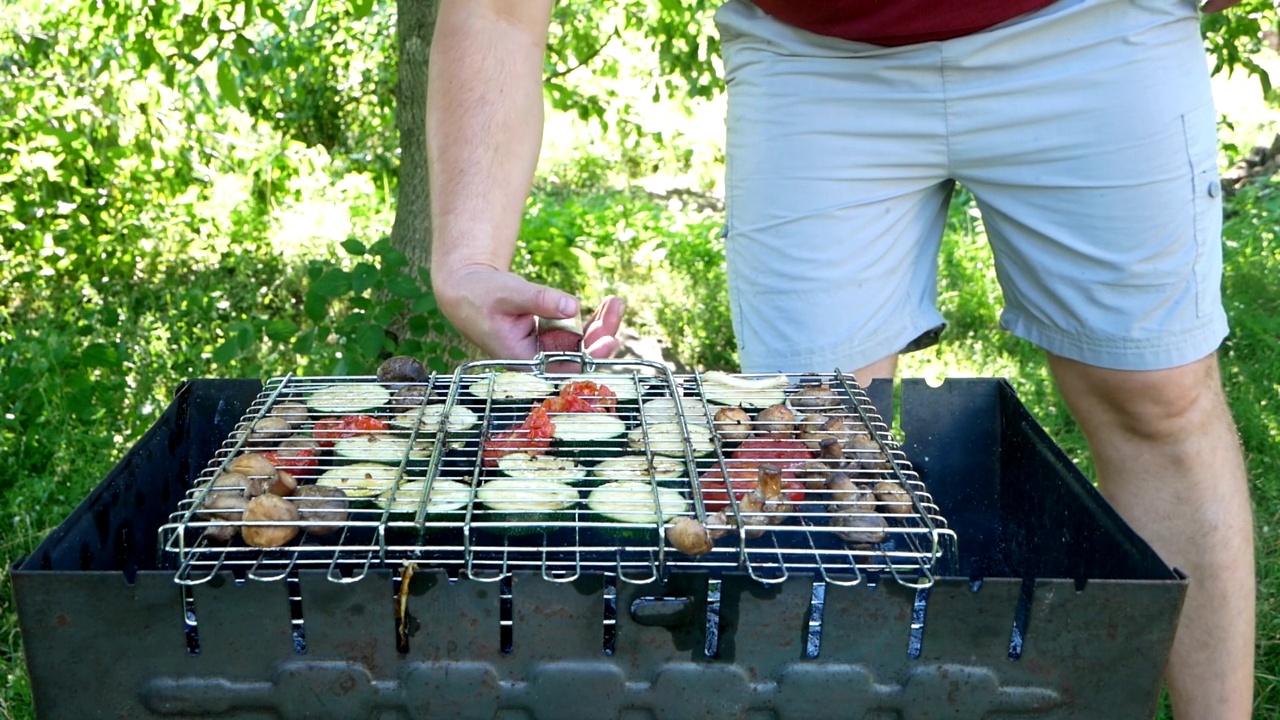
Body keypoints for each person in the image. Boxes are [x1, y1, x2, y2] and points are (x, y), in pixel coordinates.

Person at [425, 1, 1256, 717]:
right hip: (812, 56)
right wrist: (467, 254)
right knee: (807, 439)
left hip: (1089, 27)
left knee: (1160, 400)